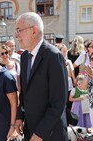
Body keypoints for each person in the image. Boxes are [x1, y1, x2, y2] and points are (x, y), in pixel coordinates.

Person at [14, 12, 68, 141]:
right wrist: (19, 116)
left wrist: (40, 132)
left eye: (19, 30)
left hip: (50, 132)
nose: (16, 35)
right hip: (31, 129)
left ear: (34, 31)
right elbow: (25, 93)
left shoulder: (53, 56)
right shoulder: (24, 56)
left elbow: (59, 102)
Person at [56, 43, 75, 110]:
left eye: (66, 51)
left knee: (69, 102)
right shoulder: (56, 61)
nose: (65, 53)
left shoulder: (68, 61)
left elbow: (71, 74)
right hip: (59, 85)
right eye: (63, 51)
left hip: (68, 84)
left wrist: (74, 80)